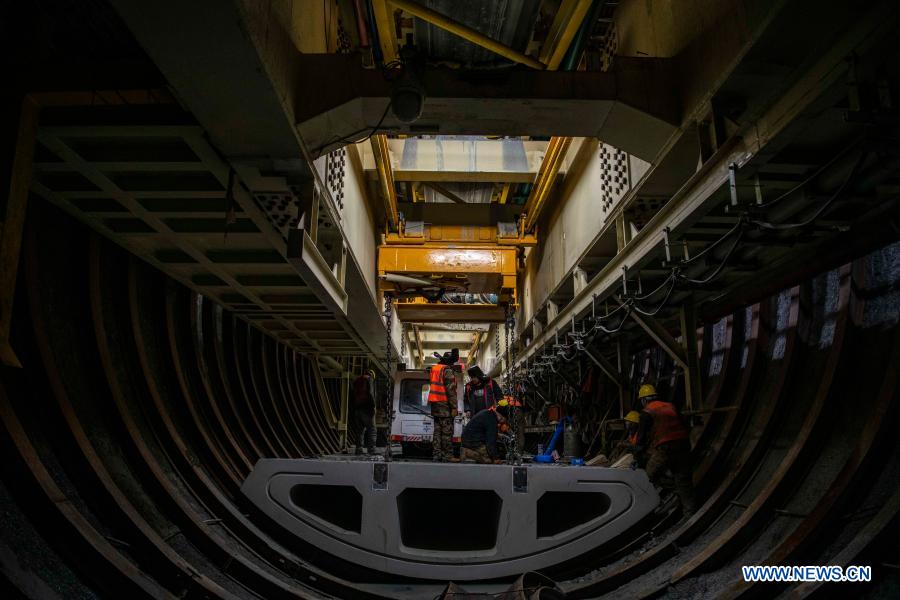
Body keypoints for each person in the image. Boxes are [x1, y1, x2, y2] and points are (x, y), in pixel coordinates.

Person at [635, 383, 695, 514]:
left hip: (666, 447)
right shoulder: (671, 406)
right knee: (682, 476)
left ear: (644, 400)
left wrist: (639, 458)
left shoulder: (646, 412)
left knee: (650, 474)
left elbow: (640, 440)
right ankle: (690, 512)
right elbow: (684, 425)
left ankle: (676, 489)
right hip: (684, 444)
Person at [427, 348, 459, 462]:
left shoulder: (435, 369)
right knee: (446, 432)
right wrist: (454, 407)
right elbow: (451, 390)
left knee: (437, 432)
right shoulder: (447, 370)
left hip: (435, 405)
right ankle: (447, 456)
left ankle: (436, 455)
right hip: (445, 406)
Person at [350, 369, 377, 455]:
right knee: (372, 430)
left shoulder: (357, 380)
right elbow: (371, 393)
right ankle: (371, 450)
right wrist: (373, 407)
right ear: (372, 375)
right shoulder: (369, 379)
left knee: (360, 431)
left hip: (357, 409)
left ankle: (358, 449)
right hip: (367, 409)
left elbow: (352, 394)